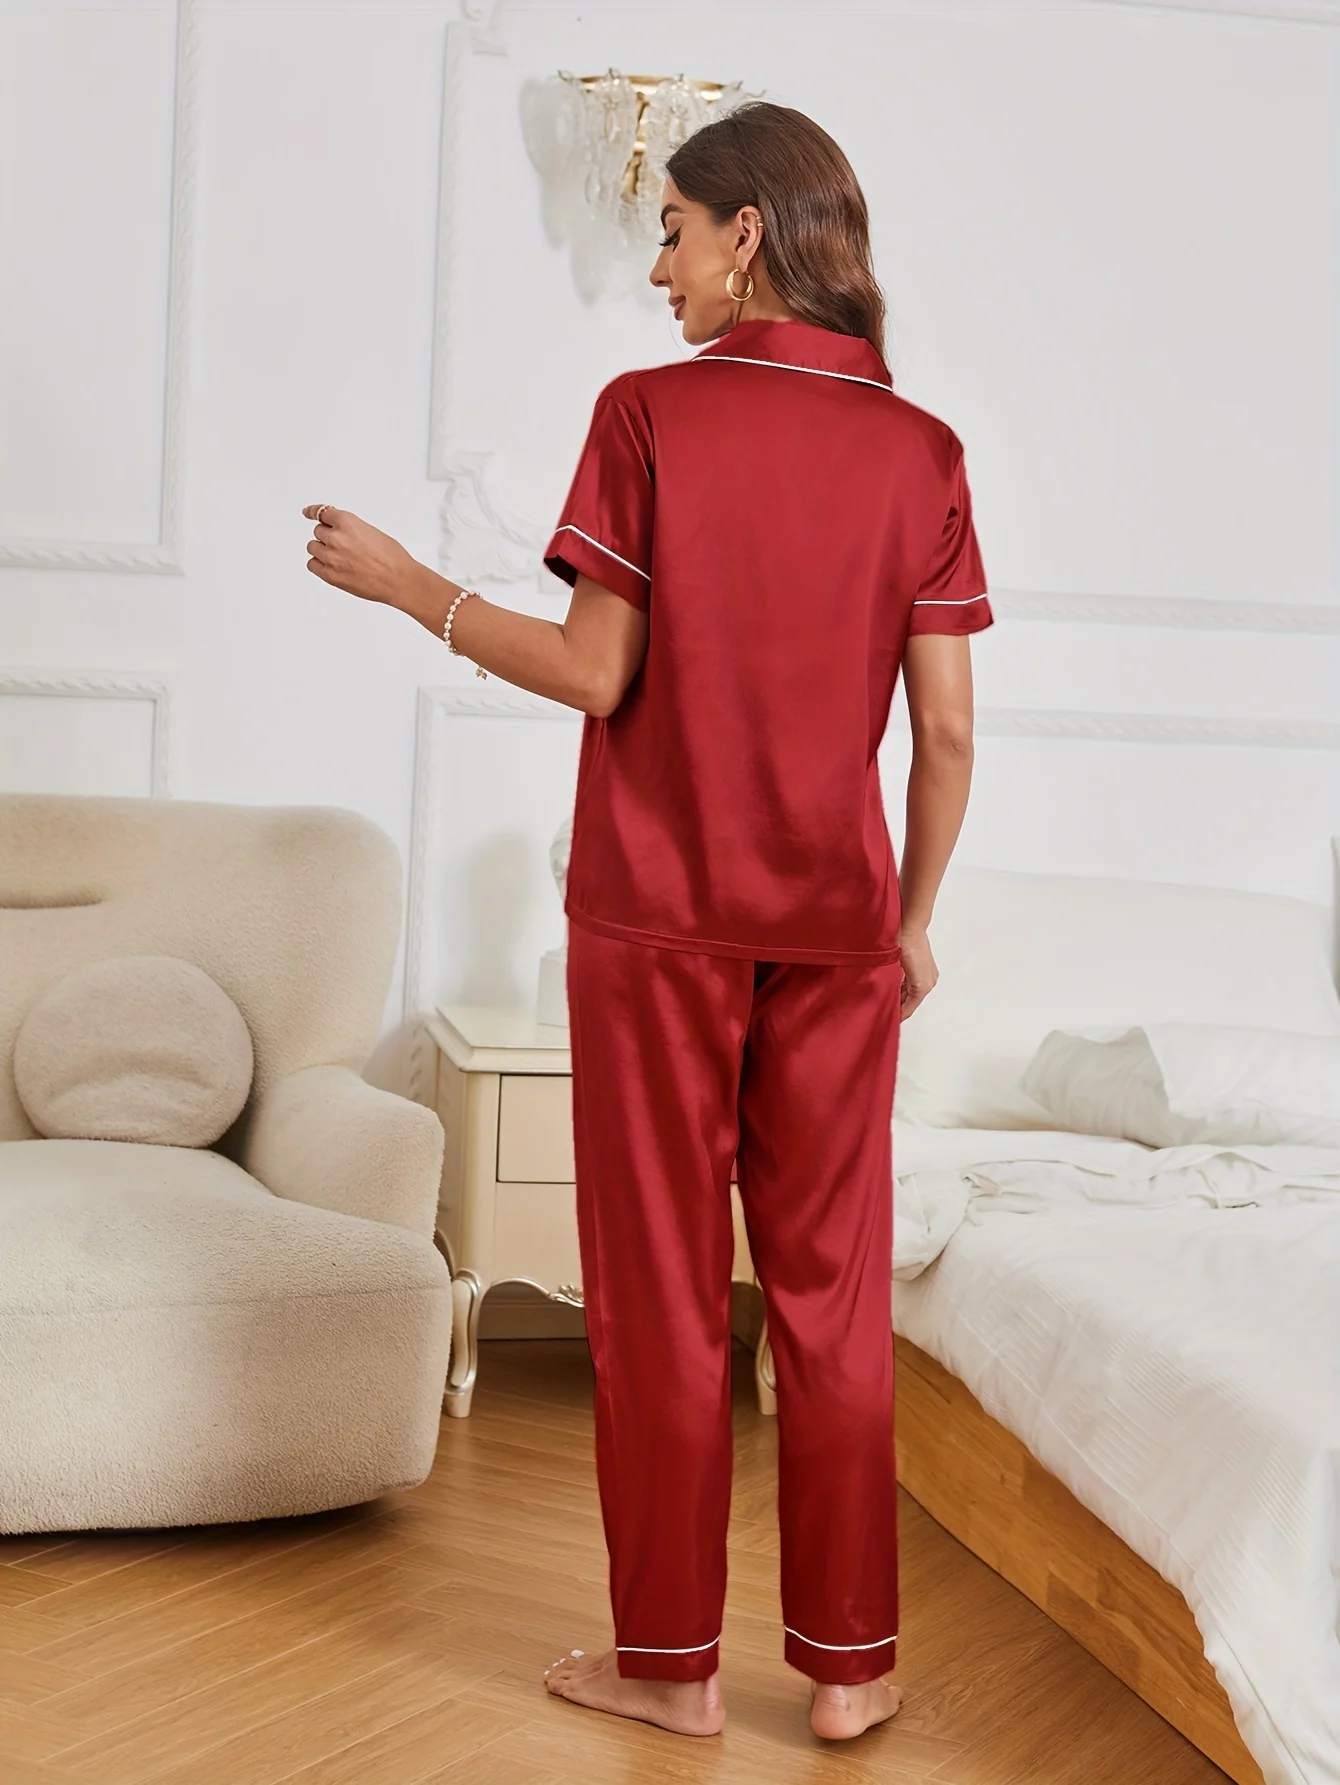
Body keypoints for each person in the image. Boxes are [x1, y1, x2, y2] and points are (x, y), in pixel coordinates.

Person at [302, 100, 991, 1747]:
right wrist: (908, 918)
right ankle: (851, 1670)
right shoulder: (924, 451)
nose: (659, 271)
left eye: (672, 233)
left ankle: (671, 1668)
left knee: (666, 1293)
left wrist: (413, 587)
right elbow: (951, 733)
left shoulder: (649, 416)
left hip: (658, 923)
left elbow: (598, 673)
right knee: (830, 1299)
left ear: (748, 234)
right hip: (838, 926)